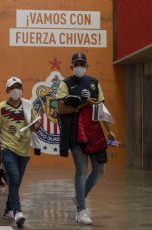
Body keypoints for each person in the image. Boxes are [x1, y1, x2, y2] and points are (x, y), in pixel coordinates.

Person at [56, 52, 115, 225]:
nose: (79, 67)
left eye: (82, 64)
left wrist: (110, 131)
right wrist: (83, 104)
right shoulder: (65, 84)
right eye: (76, 64)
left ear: (87, 66)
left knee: (100, 169)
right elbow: (60, 109)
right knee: (81, 170)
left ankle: (79, 197)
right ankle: (81, 210)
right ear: (71, 66)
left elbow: (101, 107)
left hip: (95, 132)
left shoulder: (94, 83)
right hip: (76, 132)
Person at [0, 76, 40, 227]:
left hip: (24, 151)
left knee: (16, 181)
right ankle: (18, 212)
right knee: (14, 178)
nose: (16, 90)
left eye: (19, 86)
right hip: (8, 149)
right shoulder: (1, 107)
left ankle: (8, 209)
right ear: (7, 90)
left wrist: (34, 124)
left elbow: (36, 127)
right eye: (13, 87)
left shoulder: (28, 106)